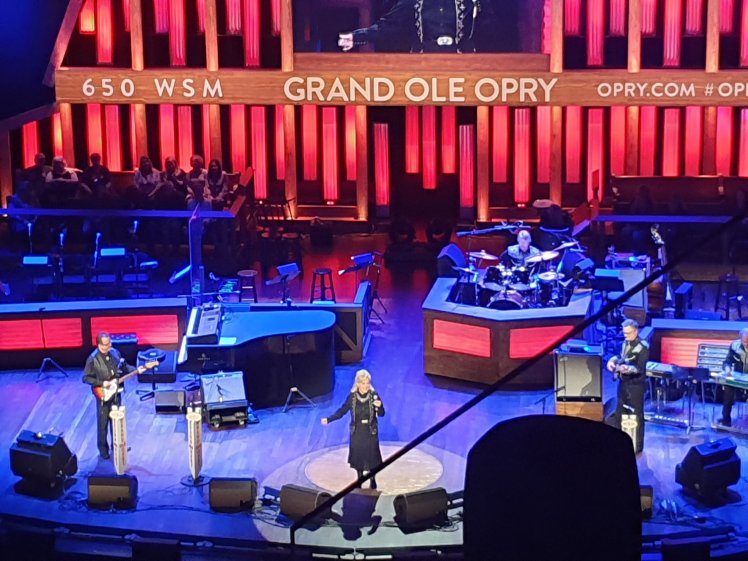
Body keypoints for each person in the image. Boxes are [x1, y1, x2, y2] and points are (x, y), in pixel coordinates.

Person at [337, 0, 497, 53]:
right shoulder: (414, 1)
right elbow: (389, 25)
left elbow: (488, 25)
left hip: (462, 65)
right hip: (422, 64)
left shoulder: (471, 1)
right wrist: (356, 37)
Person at [82, 332, 146, 460]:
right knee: (103, 424)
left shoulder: (115, 353)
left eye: (109, 343)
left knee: (117, 421)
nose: (109, 346)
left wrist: (137, 370)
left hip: (116, 392)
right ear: (99, 345)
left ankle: (117, 446)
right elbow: (86, 378)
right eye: (106, 344)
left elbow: (125, 367)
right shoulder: (93, 359)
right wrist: (102, 383)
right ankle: (103, 450)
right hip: (103, 394)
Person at [321, 370, 385, 489]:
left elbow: (382, 414)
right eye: (363, 383)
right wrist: (329, 419)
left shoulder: (374, 395)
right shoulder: (352, 398)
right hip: (357, 431)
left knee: (372, 457)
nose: (366, 386)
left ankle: (372, 479)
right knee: (359, 456)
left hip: (370, 431)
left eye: (367, 383)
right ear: (358, 384)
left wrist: (380, 406)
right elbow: (342, 411)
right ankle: (360, 478)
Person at [606, 319, 649, 453]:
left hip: (635, 387)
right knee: (620, 415)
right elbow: (619, 356)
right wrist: (612, 361)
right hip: (623, 384)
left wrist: (627, 369)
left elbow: (640, 369)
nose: (625, 336)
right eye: (624, 333)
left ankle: (636, 447)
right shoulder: (625, 343)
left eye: (628, 333)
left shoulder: (643, 347)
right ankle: (620, 444)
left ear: (635, 332)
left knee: (635, 416)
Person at [718, 328, 748, 427]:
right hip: (738, 376)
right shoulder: (735, 346)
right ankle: (726, 419)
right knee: (728, 390)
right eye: (744, 341)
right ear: (741, 338)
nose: (746, 344)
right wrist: (727, 368)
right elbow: (728, 361)